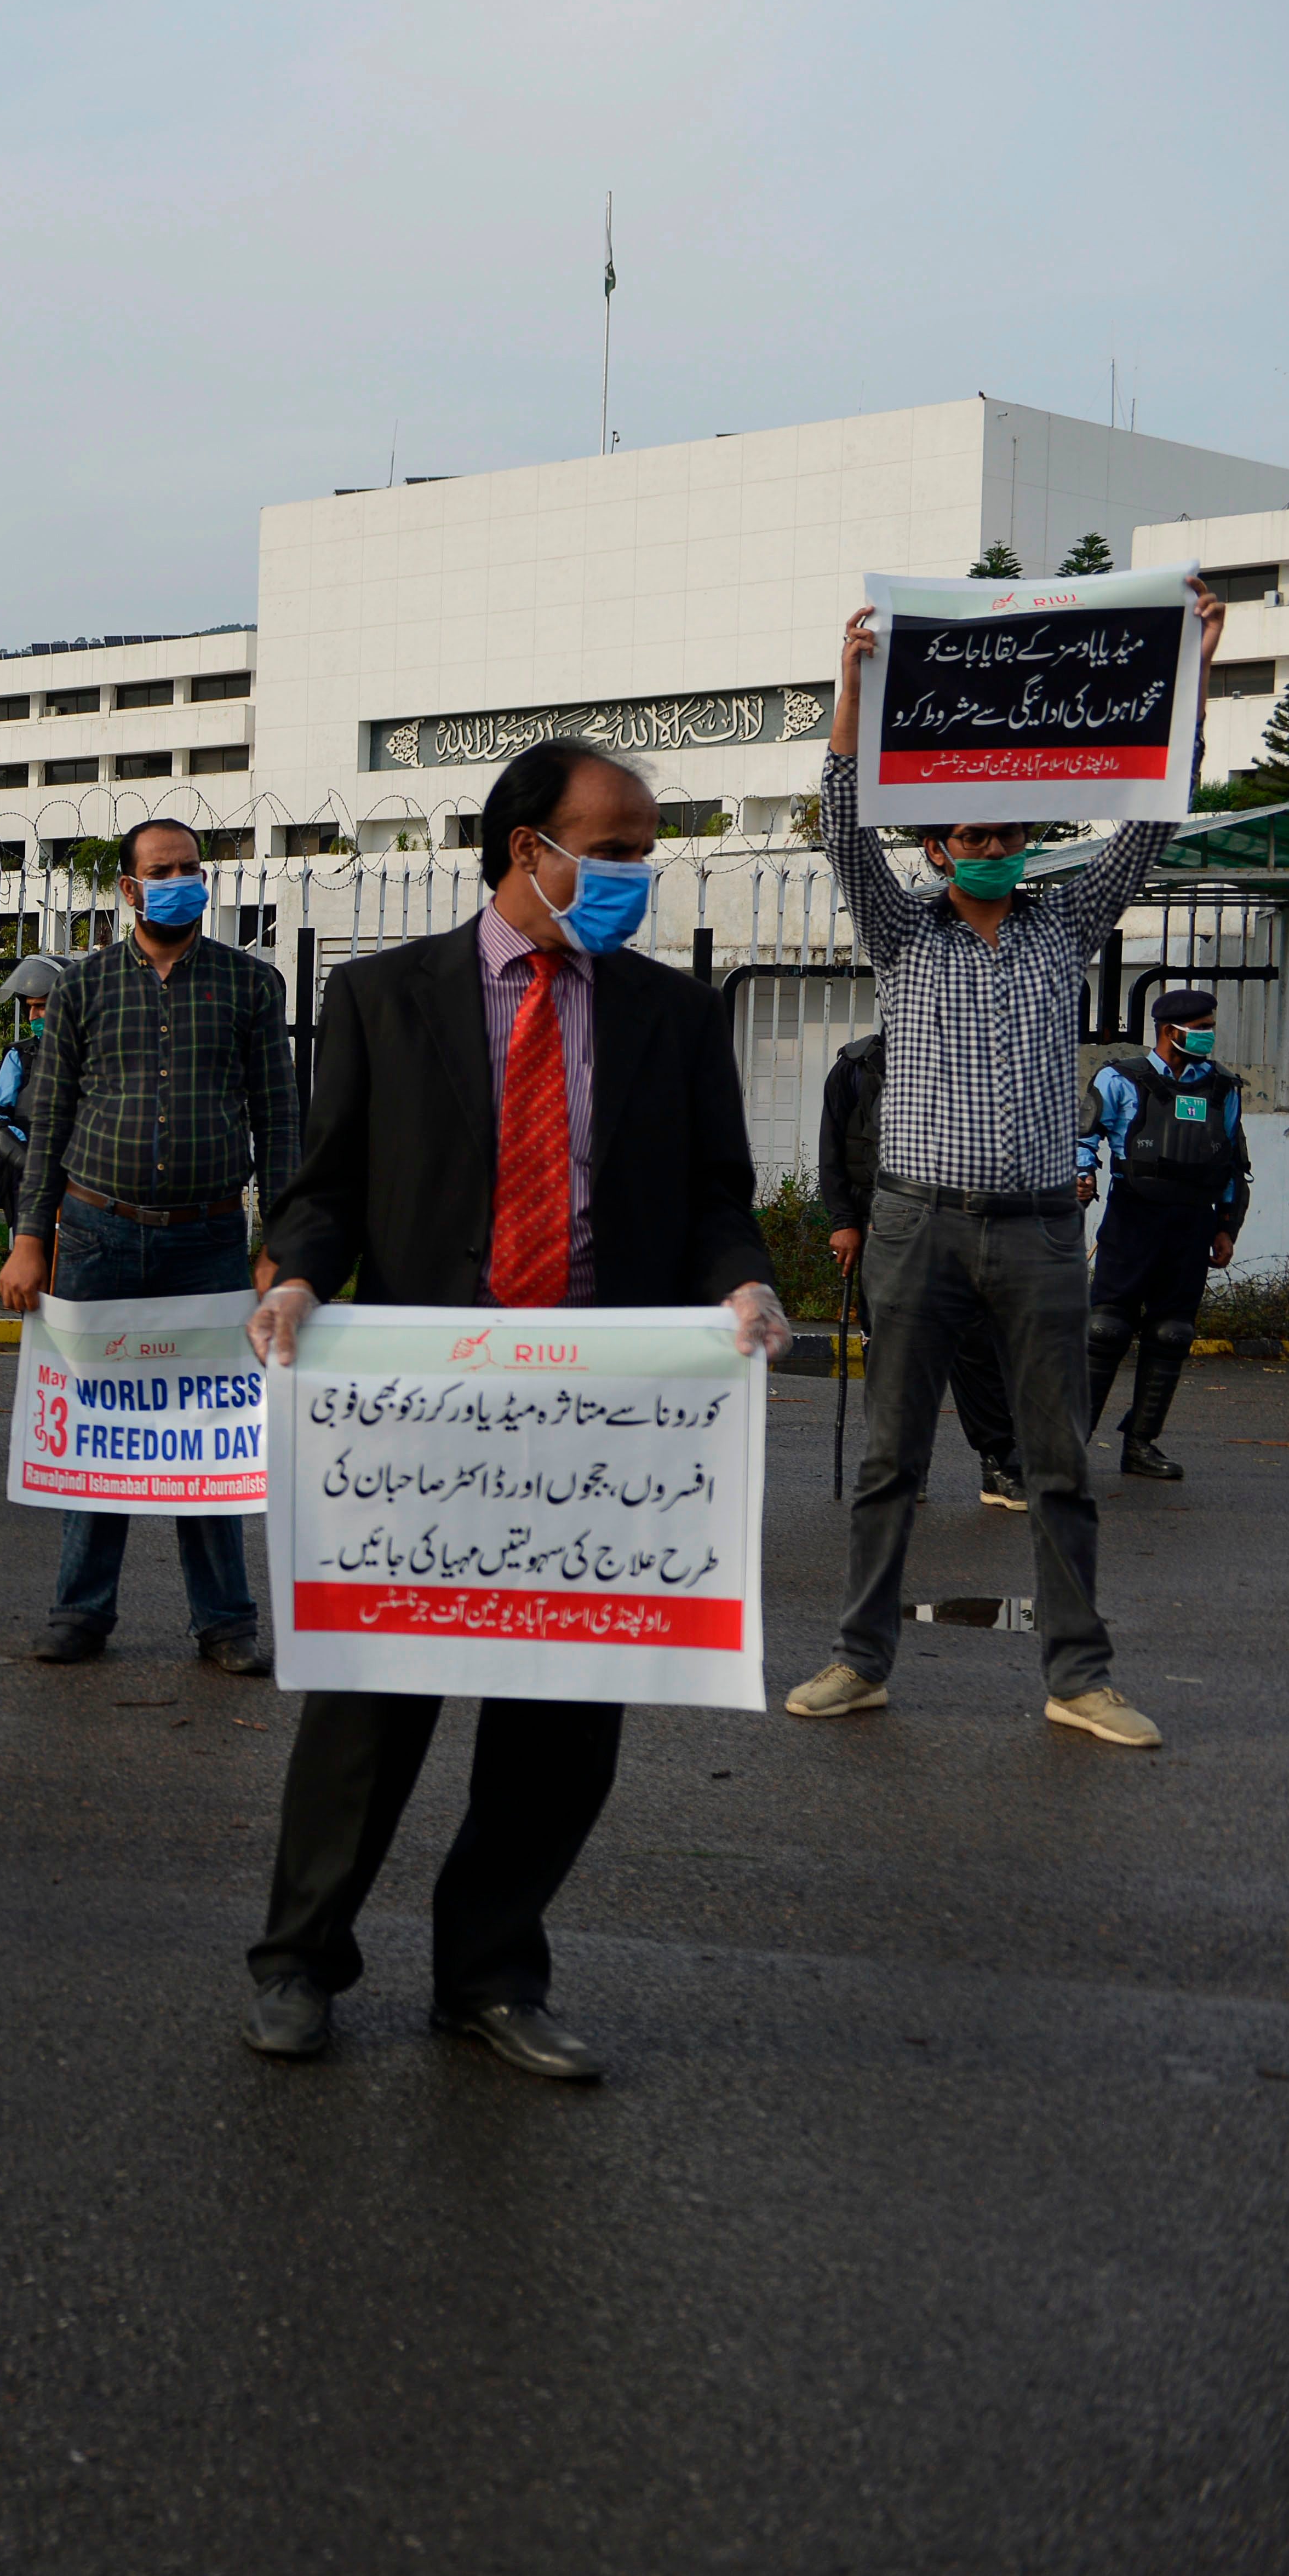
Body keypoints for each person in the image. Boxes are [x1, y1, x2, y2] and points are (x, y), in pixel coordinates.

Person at [239, 737, 786, 2083]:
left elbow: (717, 1195)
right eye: (610, 848)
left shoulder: (671, 1013)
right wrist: (297, 1270)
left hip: (603, 1423)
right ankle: (299, 1957)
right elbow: (322, 1187)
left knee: (558, 1716)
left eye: (645, 850)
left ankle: (487, 1973)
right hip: (424, 1407)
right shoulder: (381, 997)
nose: (632, 874)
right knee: (370, 1701)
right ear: (521, 845)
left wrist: (745, 1282)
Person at [782, 584, 1226, 1749]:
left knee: (1053, 1463)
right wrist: (847, 691)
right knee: (889, 1458)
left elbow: (1145, 826)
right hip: (914, 1222)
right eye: (969, 837)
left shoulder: (1062, 928)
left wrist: (1189, 679)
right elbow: (838, 823)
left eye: (1005, 835)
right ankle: (857, 1658)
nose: (989, 850)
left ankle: (1077, 1673)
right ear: (933, 847)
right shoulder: (899, 930)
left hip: (1035, 1227)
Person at [0, 821, 301, 1671]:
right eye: (160, 872)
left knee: (210, 1441)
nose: (179, 882)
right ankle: (80, 1613)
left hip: (207, 1239)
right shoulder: (84, 987)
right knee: (101, 1431)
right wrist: (30, 1239)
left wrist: (278, 1243)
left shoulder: (250, 985)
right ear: (129, 889)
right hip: (96, 1234)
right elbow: (48, 1118)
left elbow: (279, 1118)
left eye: (191, 869)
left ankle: (227, 1624)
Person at [816, 1032, 1024, 1507]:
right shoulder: (856, 1067)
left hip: (963, 1220)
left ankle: (999, 1465)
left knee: (975, 1342)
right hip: (882, 1221)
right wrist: (843, 1223)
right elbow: (833, 1152)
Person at [1080, 987, 1252, 1480]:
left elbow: (1232, 1165)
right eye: (1199, 1030)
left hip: (1192, 1222)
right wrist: (1082, 1174)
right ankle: (1068, 1446)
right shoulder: (1120, 1079)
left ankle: (1140, 1445)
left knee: (1172, 1333)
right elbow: (1083, 1137)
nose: (1208, 1038)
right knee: (1106, 1328)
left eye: (1210, 1028)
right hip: (1135, 1215)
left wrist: (1226, 1227)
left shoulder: (1223, 1088)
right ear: (1168, 1031)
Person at [0, 953, 62, 1218]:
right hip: (27, 1179)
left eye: (41, 1006)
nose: (33, 1016)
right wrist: (30, 1164)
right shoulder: (21, 1056)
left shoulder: (95, 1054)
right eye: (29, 1007)